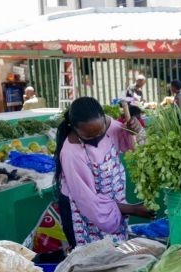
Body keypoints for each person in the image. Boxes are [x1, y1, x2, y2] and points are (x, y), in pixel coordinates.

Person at [53, 97, 153, 248]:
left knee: (117, 256)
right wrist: (132, 209)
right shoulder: (71, 153)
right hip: (86, 215)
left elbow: (137, 146)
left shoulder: (109, 124)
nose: (96, 137)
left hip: (115, 209)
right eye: (88, 136)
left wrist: (136, 129)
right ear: (74, 128)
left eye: (99, 132)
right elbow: (88, 201)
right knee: (94, 263)